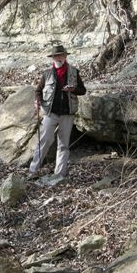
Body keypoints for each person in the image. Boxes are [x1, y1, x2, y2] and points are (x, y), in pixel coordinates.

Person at [29, 45, 87, 177]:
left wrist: (73, 89)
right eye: (56, 56)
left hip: (67, 114)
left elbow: (83, 91)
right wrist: (37, 100)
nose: (58, 58)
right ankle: (33, 171)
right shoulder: (47, 74)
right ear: (52, 58)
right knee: (44, 141)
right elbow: (38, 90)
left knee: (63, 145)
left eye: (60, 55)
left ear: (65, 56)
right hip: (51, 113)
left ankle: (59, 174)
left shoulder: (74, 72)